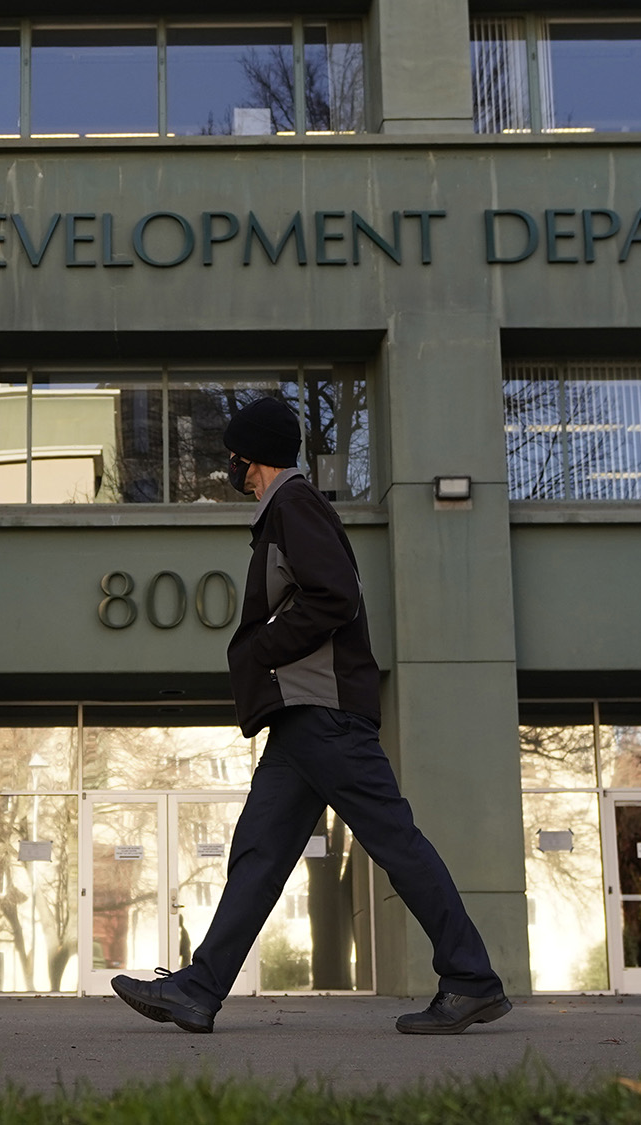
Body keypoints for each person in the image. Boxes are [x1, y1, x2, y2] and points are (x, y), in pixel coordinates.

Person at [110, 397, 512, 1036]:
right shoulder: (284, 512)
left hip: (323, 713)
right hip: (303, 721)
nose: (231, 467)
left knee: (393, 842)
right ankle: (199, 990)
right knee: (259, 853)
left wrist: (263, 646)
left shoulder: (295, 506)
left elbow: (335, 597)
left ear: (254, 457)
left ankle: (471, 980)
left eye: (235, 456)